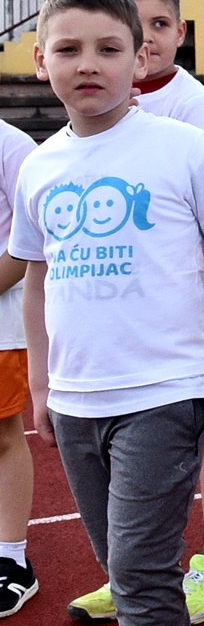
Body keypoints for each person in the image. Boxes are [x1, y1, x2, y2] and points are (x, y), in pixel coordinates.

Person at [9, 0, 204, 626]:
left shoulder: (179, 148)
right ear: (42, 61)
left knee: (140, 578)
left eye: (109, 48)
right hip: (75, 400)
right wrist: (42, 384)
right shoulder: (37, 169)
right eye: (69, 49)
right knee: (121, 566)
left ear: (140, 59)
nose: (89, 63)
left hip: (163, 389)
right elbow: (37, 279)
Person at [76, 0, 204, 624]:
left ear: (180, 31)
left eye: (159, 24)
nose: (146, 38)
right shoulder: (101, 107)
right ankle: (137, 572)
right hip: (119, 304)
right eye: (134, 24)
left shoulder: (192, 107)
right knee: (122, 433)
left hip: (188, 296)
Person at [0, 120, 37, 618]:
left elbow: (31, 243)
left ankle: (12, 559)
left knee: (3, 435)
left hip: (1, 323)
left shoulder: (11, 145)